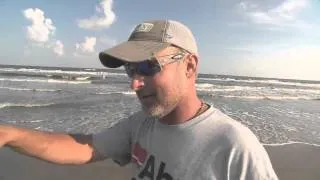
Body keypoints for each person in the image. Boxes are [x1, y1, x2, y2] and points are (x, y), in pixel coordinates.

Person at [0, 19, 278, 179]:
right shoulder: (141, 125)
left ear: (190, 66)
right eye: (130, 68)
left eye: (148, 66)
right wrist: (9, 134)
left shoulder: (234, 149)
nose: (134, 82)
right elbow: (86, 147)